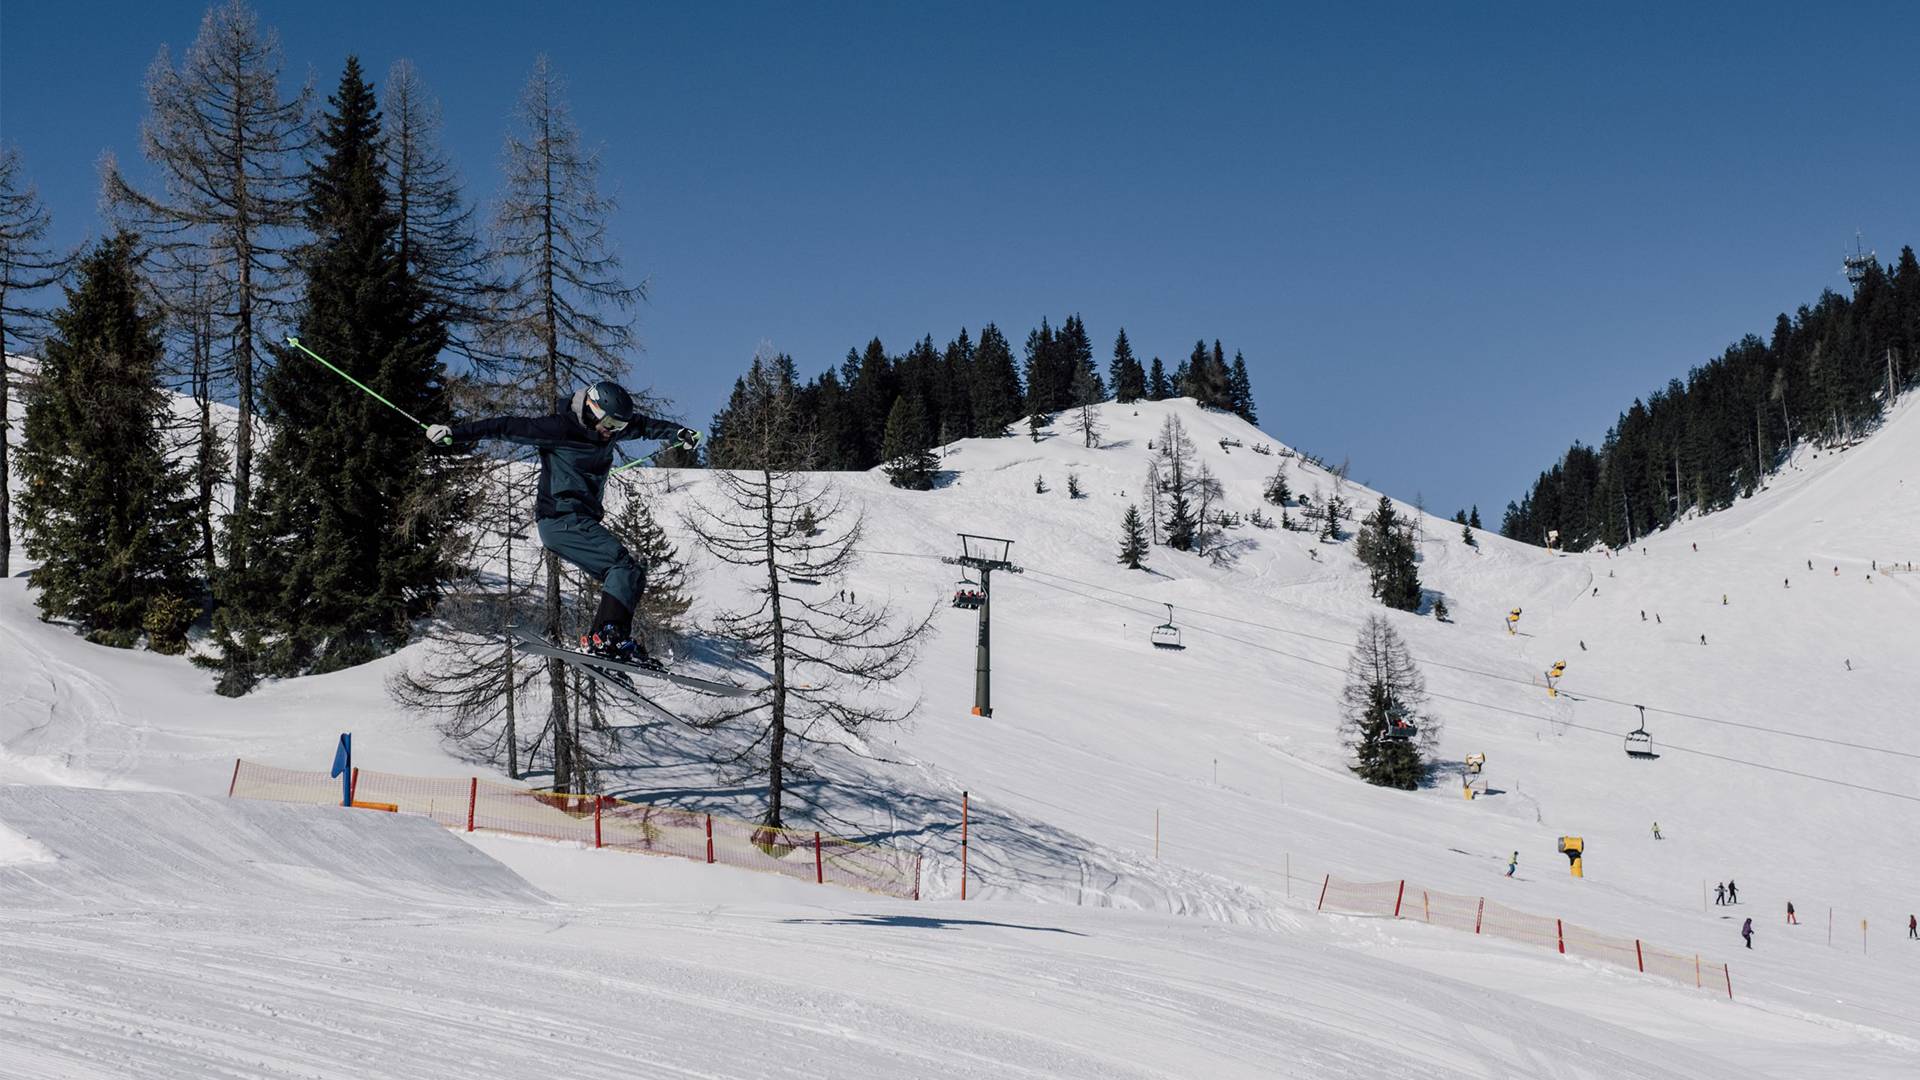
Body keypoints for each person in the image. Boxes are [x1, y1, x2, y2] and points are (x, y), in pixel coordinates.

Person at [430, 381, 697, 666]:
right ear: (591, 410)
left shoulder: (607, 431)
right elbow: (504, 426)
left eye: (619, 426)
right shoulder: (558, 429)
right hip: (561, 520)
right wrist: (455, 434)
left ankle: (606, 639)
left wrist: (678, 432)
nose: (613, 431)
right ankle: (607, 639)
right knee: (622, 567)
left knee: (631, 575)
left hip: (579, 520)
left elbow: (643, 426)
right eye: (610, 424)